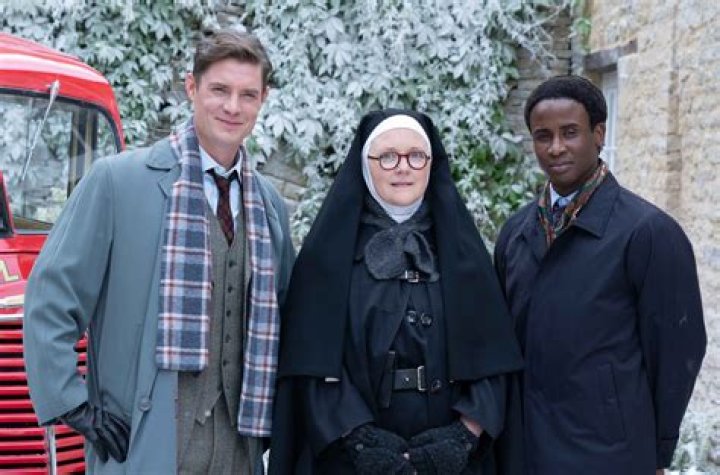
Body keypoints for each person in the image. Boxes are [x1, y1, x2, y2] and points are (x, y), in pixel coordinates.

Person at [23, 29, 295, 474]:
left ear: (263, 99)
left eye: (247, 94)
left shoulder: (268, 207)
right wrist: (71, 403)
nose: (232, 107)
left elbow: (288, 320)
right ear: (192, 87)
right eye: (219, 90)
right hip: (144, 444)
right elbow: (50, 298)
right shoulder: (117, 182)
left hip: (239, 451)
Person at [269, 109, 524, 474]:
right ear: (365, 165)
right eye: (387, 156)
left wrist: (462, 436)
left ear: (431, 164)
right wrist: (359, 441)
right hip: (349, 461)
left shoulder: (464, 254)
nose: (403, 167)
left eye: (416, 156)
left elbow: (494, 360)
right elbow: (310, 361)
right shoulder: (326, 256)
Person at [494, 75, 706, 474]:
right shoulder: (515, 234)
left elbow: (676, 354)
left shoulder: (649, 233)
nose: (556, 147)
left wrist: (657, 452)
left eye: (570, 132)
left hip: (611, 455)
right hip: (525, 453)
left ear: (599, 134)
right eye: (543, 136)